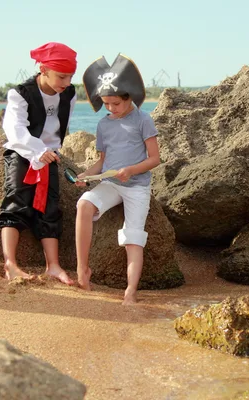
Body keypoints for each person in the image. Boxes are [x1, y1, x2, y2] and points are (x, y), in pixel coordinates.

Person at [76, 54, 160, 305]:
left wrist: (132, 170)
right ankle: (83, 270)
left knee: (133, 237)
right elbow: (102, 162)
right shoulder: (104, 125)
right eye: (106, 104)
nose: (111, 108)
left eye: (115, 103)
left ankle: (130, 291)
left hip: (136, 187)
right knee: (84, 204)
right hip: (111, 182)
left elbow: (154, 159)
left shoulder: (143, 119)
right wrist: (86, 175)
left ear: (129, 97)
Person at [0, 42, 78, 285]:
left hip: (50, 156)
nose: (66, 82)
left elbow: (60, 127)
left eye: (70, 76)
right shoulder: (20, 94)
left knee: (50, 208)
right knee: (16, 203)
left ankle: (53, 266)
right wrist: (37, 150)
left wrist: (49, 151)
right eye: (62, 76)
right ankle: (10, 264)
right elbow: (14, 129)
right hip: (22, 153)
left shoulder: (69, 94)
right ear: (44, 69)